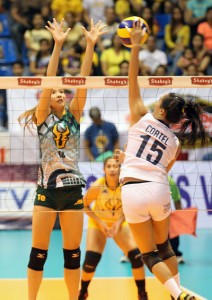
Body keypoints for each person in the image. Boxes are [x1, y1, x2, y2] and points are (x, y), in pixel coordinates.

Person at [18, 18, 108, 300]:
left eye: (62, 91)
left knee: (73, 253)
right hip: (46, 194)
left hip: (72, 193)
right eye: (55, 92)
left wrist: (90, 46)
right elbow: (49, 79)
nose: (60, 93)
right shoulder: (43, 116)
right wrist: (57, 45)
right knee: (39, 253)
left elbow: (83, 81)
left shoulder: (75, 115)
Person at [119, 20, 207, 300]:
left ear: (159, 108)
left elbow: (131, 80)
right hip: (159, 189)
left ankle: (178, 294)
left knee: (147, 254)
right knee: (165, 247)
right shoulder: (176, 141)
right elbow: (163, 169)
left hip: (133, 188)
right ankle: (176, 295)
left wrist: (135, 47)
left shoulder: (140, 117)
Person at [78, 156, 148, 300]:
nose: (112, 169)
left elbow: (131, 206)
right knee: (91, 260)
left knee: (137, 257)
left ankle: (142, 293)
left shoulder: (125, 186)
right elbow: (83, 205)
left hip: (120, 223)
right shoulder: (98, 185)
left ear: (120, 169)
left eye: (115, 166)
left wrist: (118, 222)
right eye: (108, 166)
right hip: (99, 224)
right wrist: (100, 222)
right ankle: (83, 291)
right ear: (104, 169)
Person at [168, 176, 185, 264]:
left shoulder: (170, 181)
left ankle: (176, 254)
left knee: (173, 225)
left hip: (163, 213)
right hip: (151, 212)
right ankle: (131, 251)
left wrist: (180, 218)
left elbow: (177, 201)